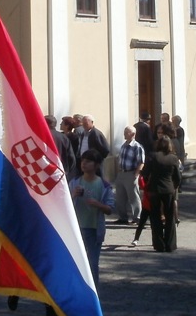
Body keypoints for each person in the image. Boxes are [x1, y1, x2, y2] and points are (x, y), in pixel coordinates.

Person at [69, 149, 114, 288]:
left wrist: (98, 204)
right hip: (77, 229)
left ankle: (93, 290)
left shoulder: (104, 186)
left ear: (96, 165)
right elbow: (65, 205)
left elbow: (110, 209)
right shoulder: (75, 182)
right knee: (75, 261)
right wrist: (73, 196)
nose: (84, 164)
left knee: (93, 263)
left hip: (95, 229)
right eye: (83, 161)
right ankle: (77, 288)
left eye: (88, 161)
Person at [143, 136, 181, 252]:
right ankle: (170, 244)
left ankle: (159, 244)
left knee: (155, 217)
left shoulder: (153, 157)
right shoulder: (173, 158)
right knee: (170, 217)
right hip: (168, 189)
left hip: (154, 189)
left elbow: (145, 172)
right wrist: (174, 186)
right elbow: (178, 177)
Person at [113, 126, 145, 225]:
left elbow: (141, 162)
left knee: (133, 197)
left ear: (133, 134)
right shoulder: (124, 145)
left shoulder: (137, 147)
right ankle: (122, 217)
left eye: (126, 132)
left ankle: (137, 218)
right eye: (124, 132)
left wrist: (136, 174)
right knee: (120, 197)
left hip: (131, 173)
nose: (124, 134)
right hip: (122, 173)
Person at [45, 115, 76, 182]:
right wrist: (67, 171)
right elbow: (71, 157)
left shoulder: (41, 137)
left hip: (45, 173)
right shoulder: (63, 137)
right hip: (61, 173)